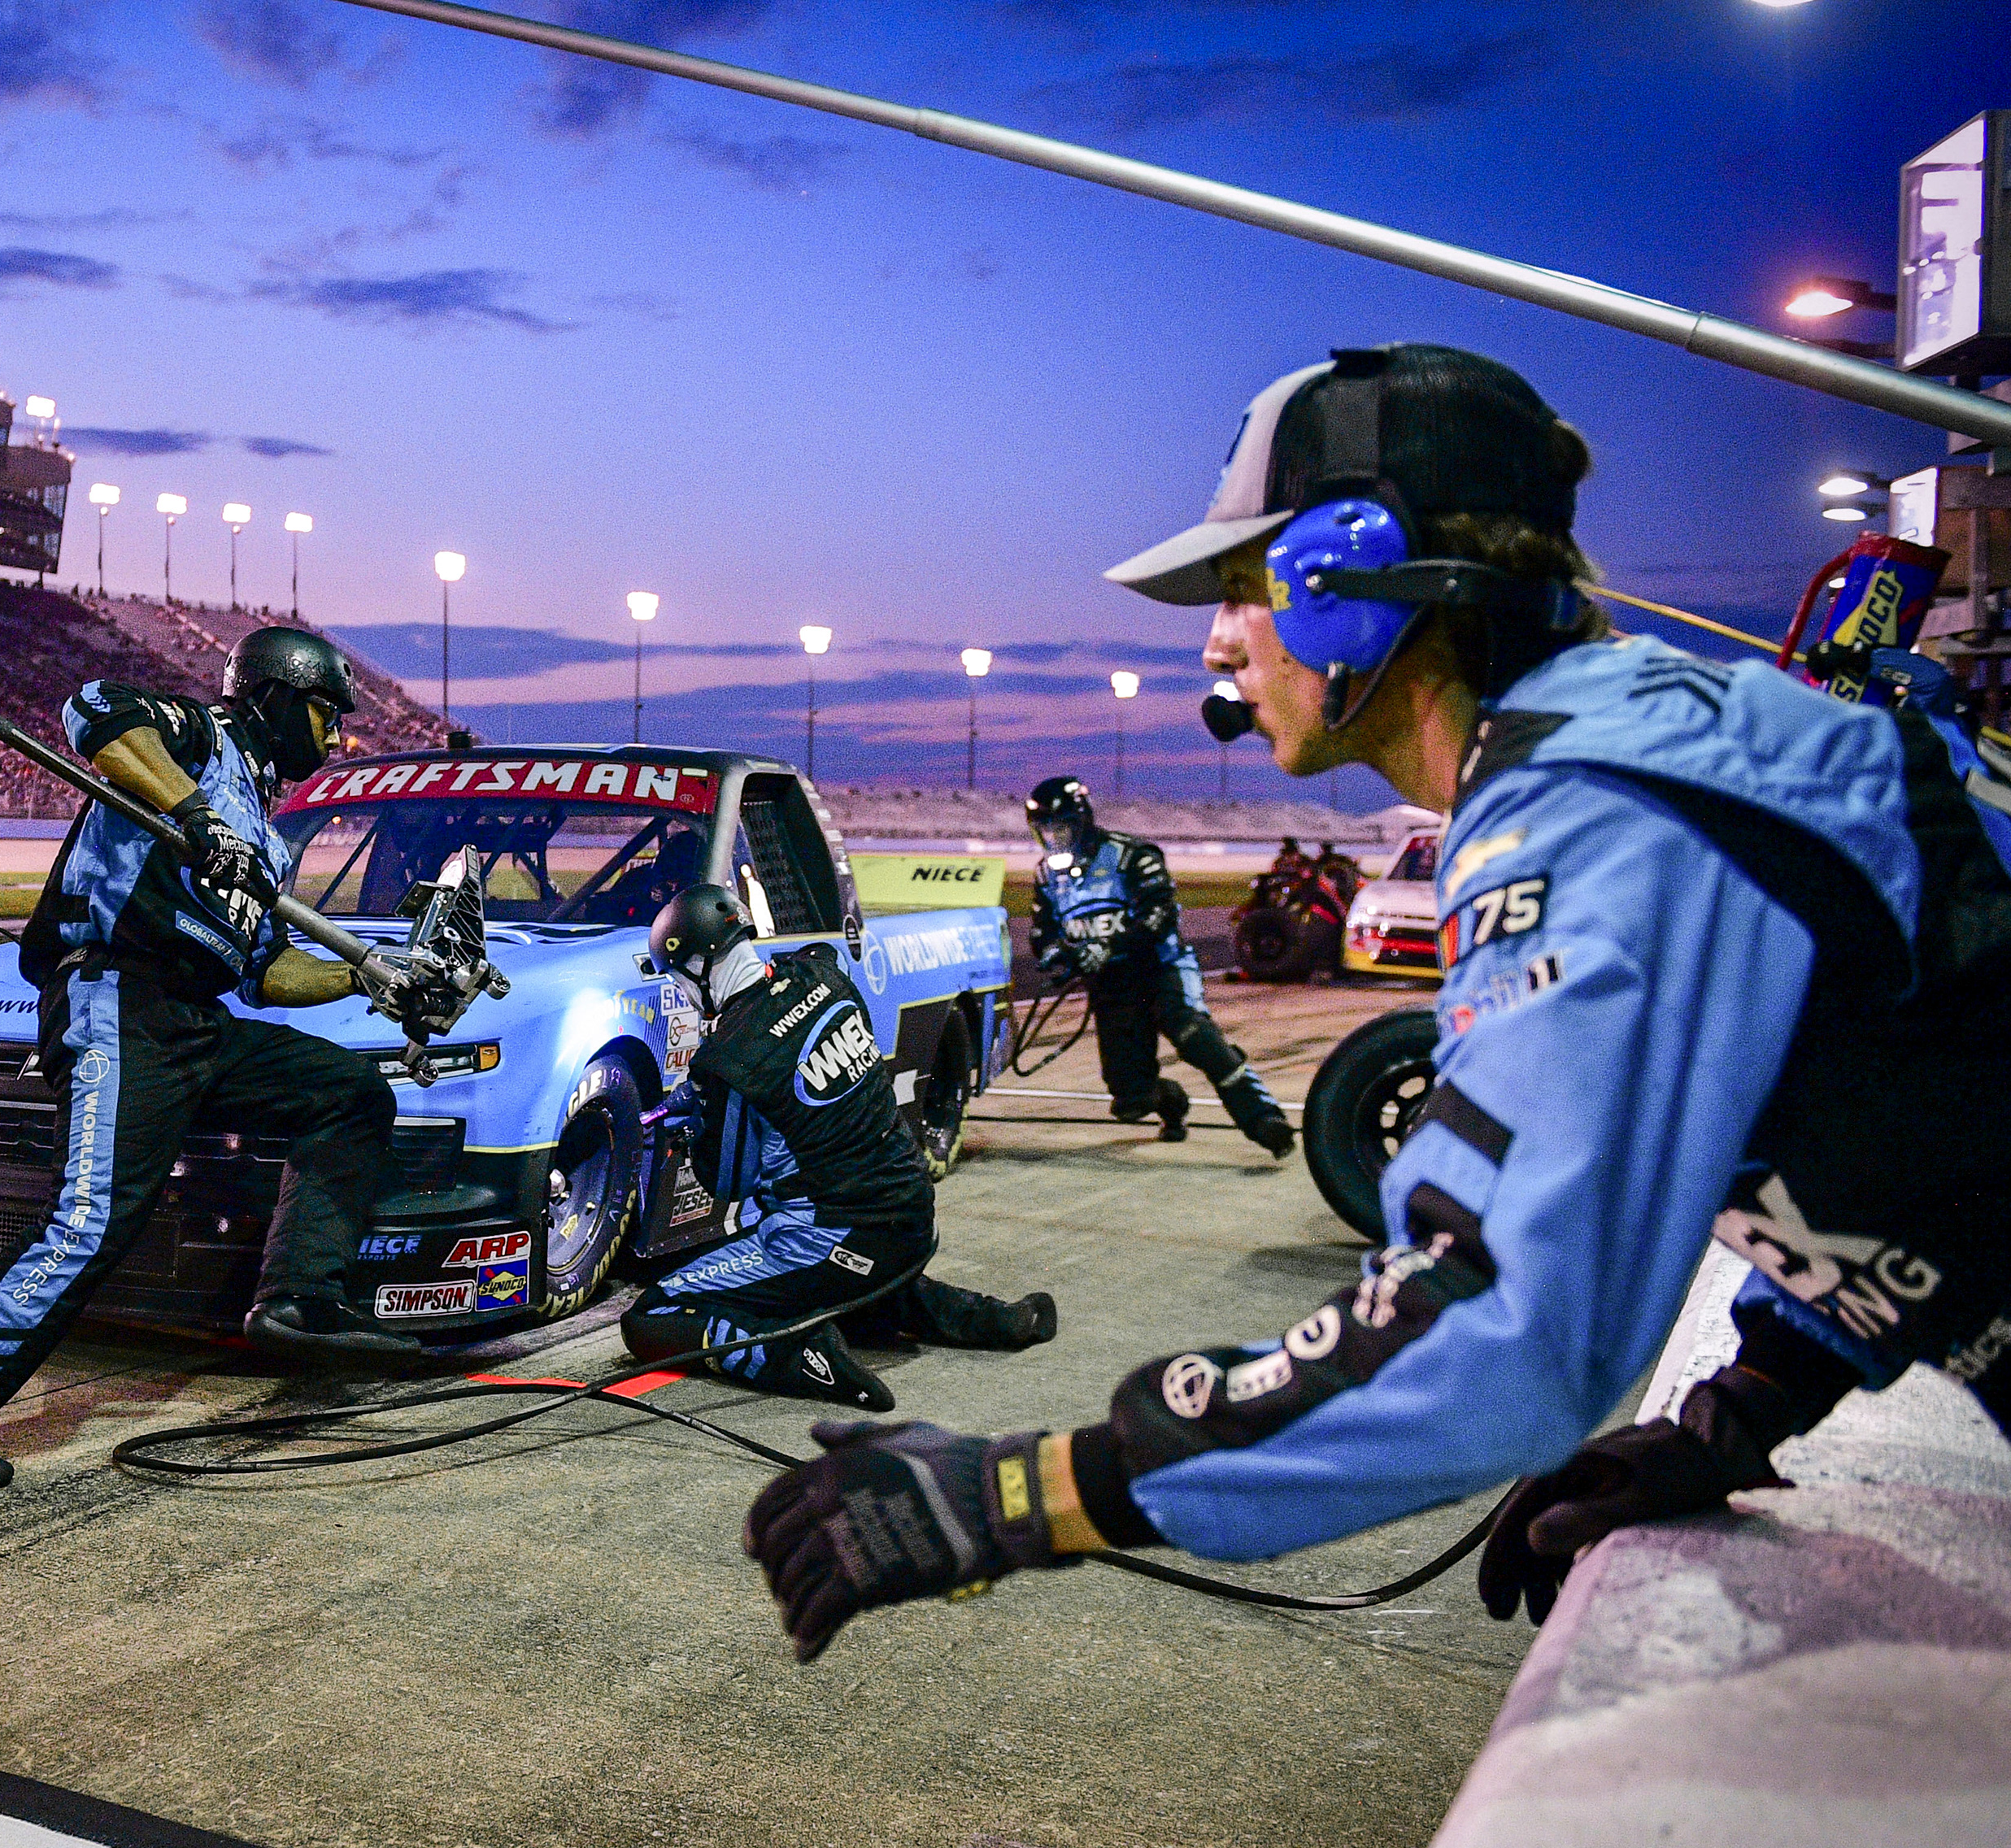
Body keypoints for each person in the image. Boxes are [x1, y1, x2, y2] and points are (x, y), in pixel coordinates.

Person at [745, 342, 2011, 1658]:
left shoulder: (1596, 806)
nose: (1223, 638)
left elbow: (1493, 1322)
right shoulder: (1630, 748)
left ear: (1350, 578)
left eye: (1241, 586)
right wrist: (1750, 1397)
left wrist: (1019, 1494)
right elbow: (1886, 1093)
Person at [0, 624, 417, 1491]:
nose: (338, 736)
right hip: (117, 996)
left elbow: (270, 973)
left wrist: (370, 980)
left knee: (348, 1092)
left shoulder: (269, 841)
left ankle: (299, 1300)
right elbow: (89, 709)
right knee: (89, 1223)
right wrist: (192, 810)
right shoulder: (199, 738)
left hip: (196, 1024)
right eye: (326, 713)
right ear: (275, 697)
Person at [625, 884, 1057, 1413]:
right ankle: (992, 1319)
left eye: (680, 981)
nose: (686, 997)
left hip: (839, 1242)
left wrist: (696, 1122)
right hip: (913, 1222)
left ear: (697, 965)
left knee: (654, 1316)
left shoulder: (727, 1056)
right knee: (857, 1285)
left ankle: (797, 1355)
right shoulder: (821, 974)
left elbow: (727, 1182)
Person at [1025, 775, 1294, 1154]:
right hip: (1111, 985)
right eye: (1046, 830)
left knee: (1195, 1037)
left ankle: (1265, 1119)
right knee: (1130, 1098)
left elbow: (1161, 914)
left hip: (1160, 969)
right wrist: (1055, 956)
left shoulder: (1132, 855)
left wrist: (1110, 945)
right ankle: (1173, 1104)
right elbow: (1042, 932)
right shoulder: (1045, 876)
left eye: (1062, 827)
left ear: (1082, 820)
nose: (1055, 837)